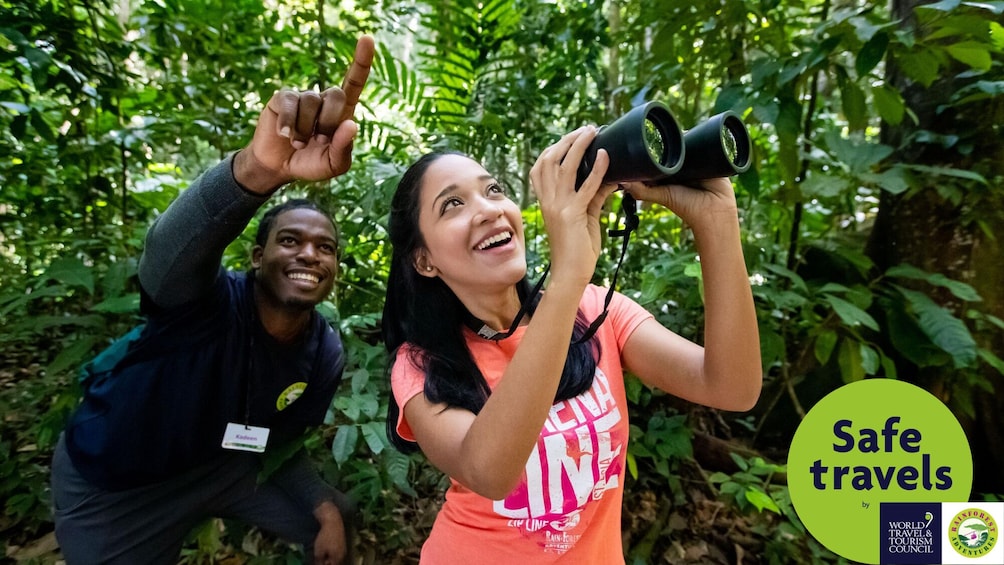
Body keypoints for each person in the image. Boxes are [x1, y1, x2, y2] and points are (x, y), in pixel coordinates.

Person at [49, 35, 375, 565]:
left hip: (224, 467)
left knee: (337, 516)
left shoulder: (323, 354)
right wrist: (257, 170)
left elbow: (273, 442)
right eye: (290, 240)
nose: (310, 254)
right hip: (117, 487)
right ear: (256, 256)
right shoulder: (201, 303)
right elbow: (164, 253)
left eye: (326, 248)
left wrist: (324, 507)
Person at [382, 125, 763, 563]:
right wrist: (567, 276)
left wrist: (715, 222)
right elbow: (489, 471)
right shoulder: (421, 365)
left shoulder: (595, 311)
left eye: (493, 189)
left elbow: (732, 387)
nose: (489, 210)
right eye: (452, 204)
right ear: (424, 260)